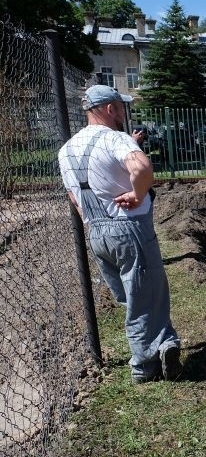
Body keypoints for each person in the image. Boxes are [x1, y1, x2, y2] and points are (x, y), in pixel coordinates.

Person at [58, 85, 181, 384]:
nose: (124, 112)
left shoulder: (66, 150)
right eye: (121, 106)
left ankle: (162, 344)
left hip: (97, 235)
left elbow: (75, 200)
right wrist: (137, 195)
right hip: (130, 231)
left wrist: (93, 224)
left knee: (132, 297)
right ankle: (144, 366)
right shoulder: (115, 138)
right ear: (110, 109)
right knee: (147, 294)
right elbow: (142, 168)